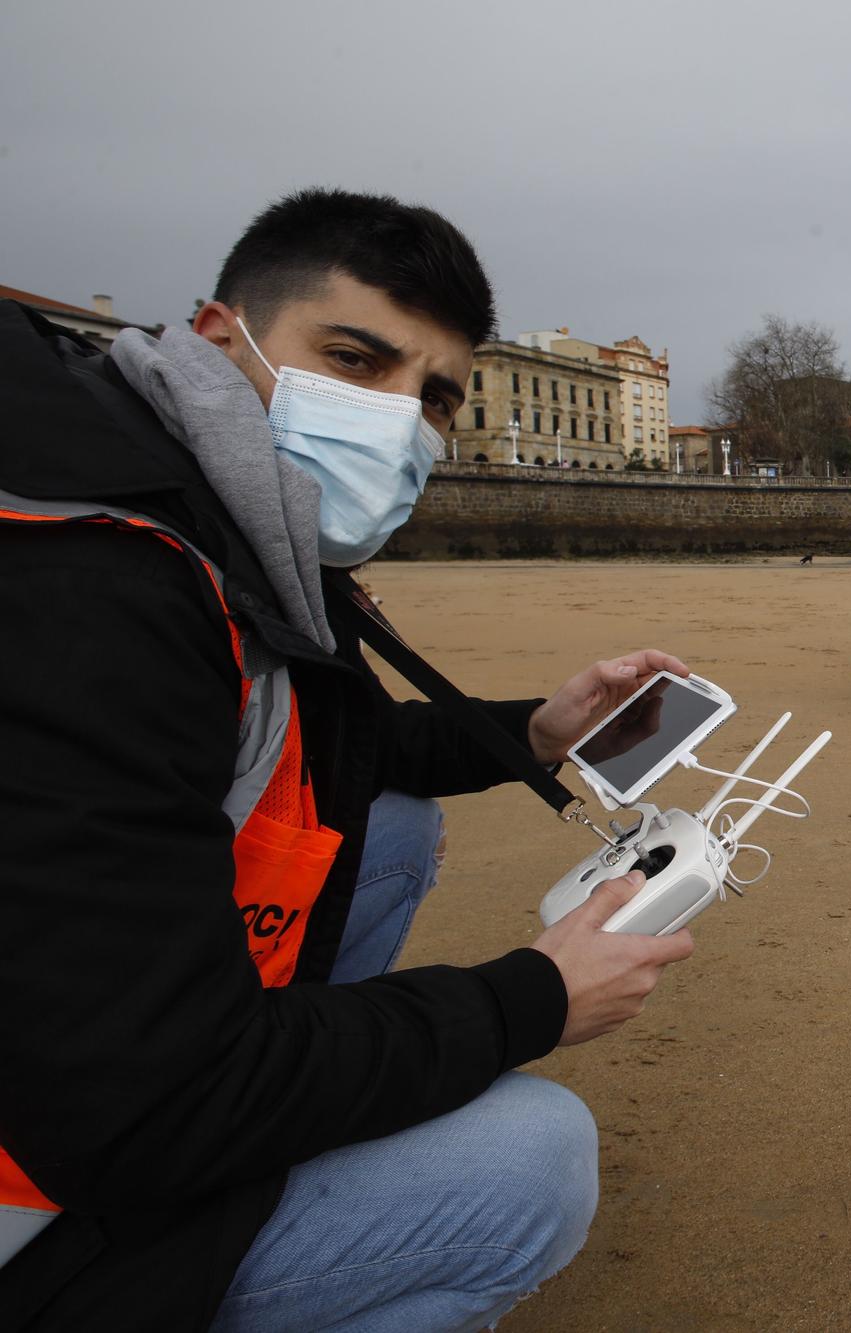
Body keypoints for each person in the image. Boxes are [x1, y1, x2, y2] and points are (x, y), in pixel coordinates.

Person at [0, 188, 696, 1331]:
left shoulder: (187, 499)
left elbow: (319, 740)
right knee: (534, 1160)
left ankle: (291, 1089)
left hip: (99, 1061)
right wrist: (530, 996)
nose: (396, 417)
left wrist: (532, 730)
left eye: (430, 395)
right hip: (54, 1181)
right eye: (352, 359)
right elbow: (145, 1103)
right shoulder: (98, 585)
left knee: (389, 825)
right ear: (221, 333)